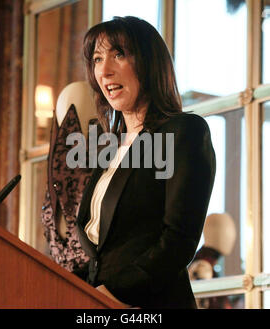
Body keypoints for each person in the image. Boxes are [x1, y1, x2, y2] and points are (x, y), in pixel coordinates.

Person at [73, 16, 216, 309]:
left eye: (119, 54)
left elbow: (178, 239)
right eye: (97, 59)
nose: (105, 70)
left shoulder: (184, 131)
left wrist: (116, 294)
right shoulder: (109, 148)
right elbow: (102, 254)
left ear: (149, 64)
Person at [41, 81, 98, 273]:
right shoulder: (54, 184)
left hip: (103, 294)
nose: (72, 123)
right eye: (64, 118)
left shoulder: (107, 178)